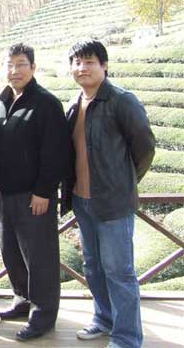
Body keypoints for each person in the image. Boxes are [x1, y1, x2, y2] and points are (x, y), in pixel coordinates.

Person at [64, 39, 155, 348]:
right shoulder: (74, 105)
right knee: (93, 266)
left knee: (119, 271)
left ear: (104, 65)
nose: (82, 67)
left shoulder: (121, 100)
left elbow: (144, 147)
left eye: (89, 61)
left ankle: (127, 338)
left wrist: (125, 182)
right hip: (82, 200)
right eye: (77, 62)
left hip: (113, 203)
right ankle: (104, 319)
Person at [0, 43, 69, 341]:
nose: (15, 70)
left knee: (40, 257)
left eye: (21, 64)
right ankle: (22, 299)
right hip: (5, 194)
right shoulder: (2, 101)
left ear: (33, 68)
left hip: (33, 195)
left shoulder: (46, 103)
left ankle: (43, 314)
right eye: (10, 64)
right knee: (10, 252)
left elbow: (56, 152)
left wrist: (44, 191)